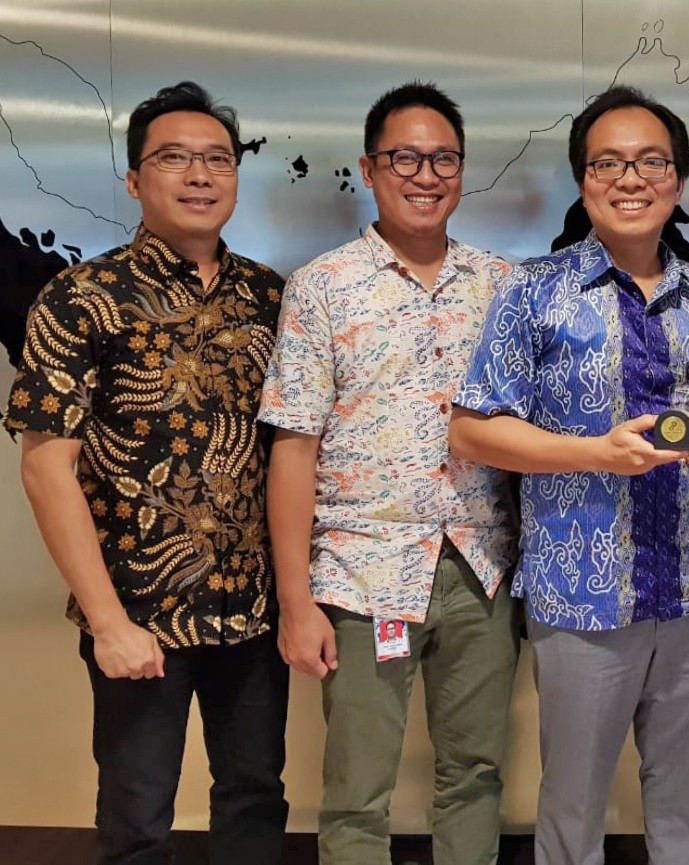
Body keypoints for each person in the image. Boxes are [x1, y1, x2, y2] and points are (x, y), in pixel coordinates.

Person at [449, 85, 689, 865]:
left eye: (652, 161)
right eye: (608, 162)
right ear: (583, 180)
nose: (630, 177)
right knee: (572, 808)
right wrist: (596, 452)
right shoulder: (532, 290)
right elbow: (473, 427)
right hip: (582, 595)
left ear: (678, 181)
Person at [5, 81, 288, 865]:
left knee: (256, 797)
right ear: (134, 179)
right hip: (138, 610)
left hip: (255, 609)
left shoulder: (272, 297)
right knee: (136, 815)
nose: (200, 176)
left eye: (218, 160)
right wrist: (107, 622)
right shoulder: (80, 297)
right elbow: (45, 468)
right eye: (175, 158)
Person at [258, 81, 519, 865]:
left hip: (481, 570)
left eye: (444, 158)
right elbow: (293, 448)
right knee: (356, 788)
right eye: (405, 157)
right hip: (361, 578)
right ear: (370, 169)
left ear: (463, 172)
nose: (425, 174)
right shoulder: (322, 287)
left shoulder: (502, 286)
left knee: (474, 773)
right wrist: (296, 602)